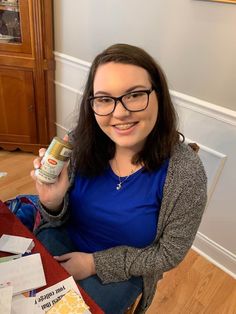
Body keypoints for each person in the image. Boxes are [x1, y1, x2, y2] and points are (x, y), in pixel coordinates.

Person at [31, 43, 207, 314]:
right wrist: (52, 202)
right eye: (103, 99)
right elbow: (55, 219)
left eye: (135, 95)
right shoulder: (80, 142)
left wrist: (93, 264)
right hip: (63, 241)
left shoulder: (185, 173)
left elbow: (168, 254)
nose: (120, 112)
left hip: (123, 270)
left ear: (159, 95)